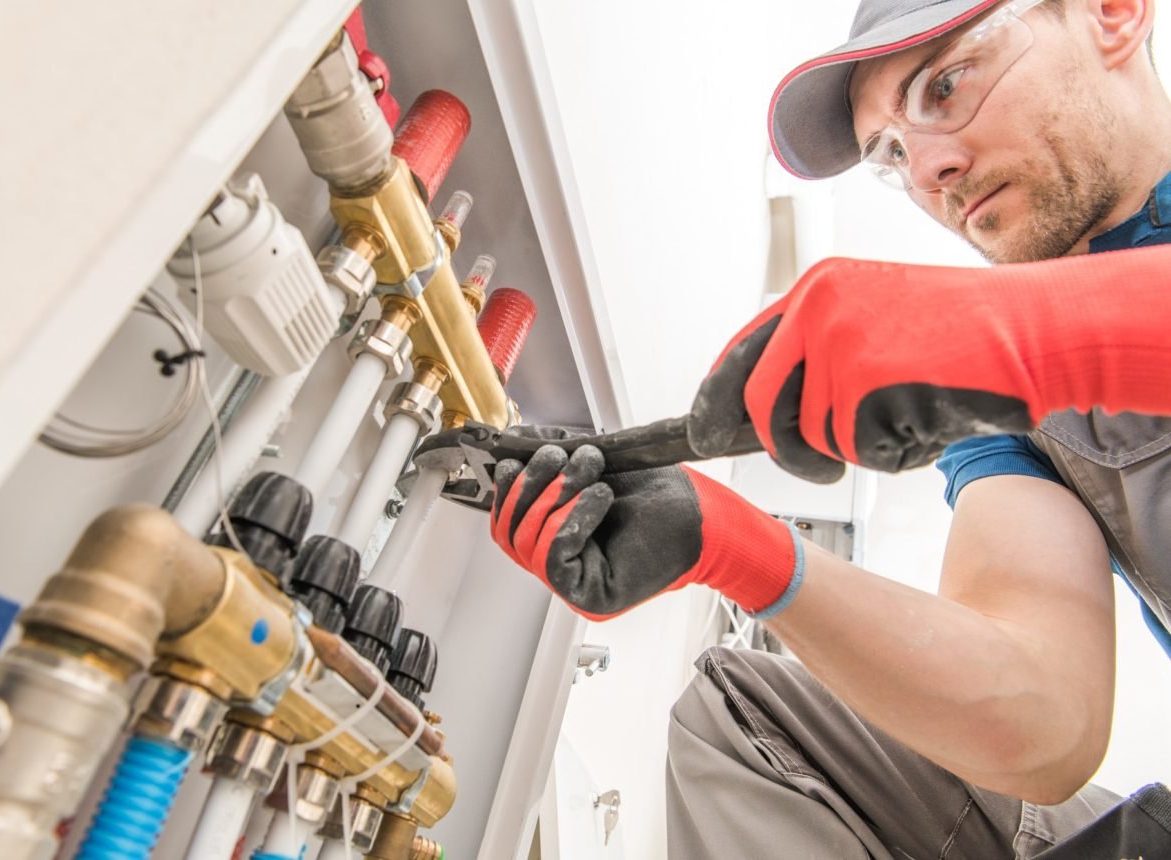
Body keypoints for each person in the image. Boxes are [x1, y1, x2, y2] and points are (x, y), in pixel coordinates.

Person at [484, 0, 1171, 855]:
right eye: (889, 152)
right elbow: (1043, 728)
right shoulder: (1010, 422)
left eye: (946, 85)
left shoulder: (1005, 361)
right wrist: (735, 546)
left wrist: (1025, 339)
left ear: (1114, 13)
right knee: (740, 718)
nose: (928, 173)